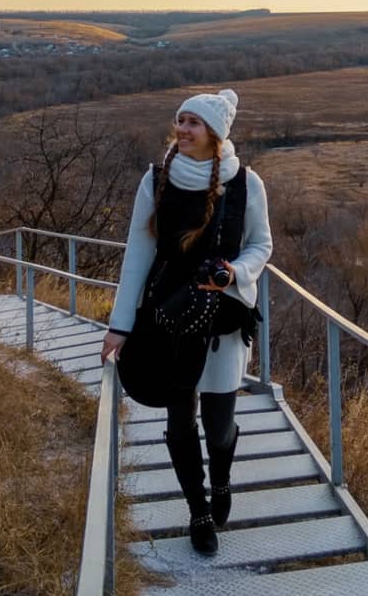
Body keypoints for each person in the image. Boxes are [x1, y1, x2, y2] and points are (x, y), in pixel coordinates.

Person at [100, 88, 272, 555]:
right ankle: (198, 511)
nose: (183, 129)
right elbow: (138, 252)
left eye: (194, 123)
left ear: (214, 133)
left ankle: (221, 483)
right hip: (168, 320)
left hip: (224, 322)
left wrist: (235, 272)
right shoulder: (156, 179)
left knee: (218, 426)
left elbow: (261, 245)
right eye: (180, 120)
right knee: (180, 423)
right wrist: (121, 325)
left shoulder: (244, 183)